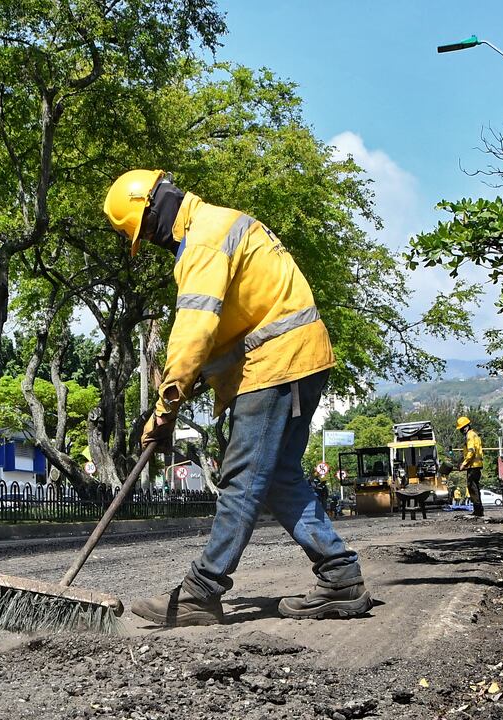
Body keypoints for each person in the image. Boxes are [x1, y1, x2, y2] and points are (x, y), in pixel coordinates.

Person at [103, 169, 369, 627]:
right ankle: (341, 577)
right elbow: (231, 330)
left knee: (242, 478)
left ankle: (201, 591)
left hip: (276, 366)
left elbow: (194, 330)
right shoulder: (222, 223)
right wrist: (187, 393)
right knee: (280, 476)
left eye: (145, 232)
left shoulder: (203, 241)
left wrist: (167, 404)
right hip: (297, 358)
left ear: (153, 211)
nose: (152, 241)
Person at [457, 416, 484, 517]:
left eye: (461, 428)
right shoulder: (474, 434)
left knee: (472, 487)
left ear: (466, 427)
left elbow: (471, 451)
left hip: (473, 466)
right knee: (475, 486)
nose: (461, 430)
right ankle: (479, 509)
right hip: (476, 465)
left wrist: (464, 464)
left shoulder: (469, 435)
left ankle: (478, 510)